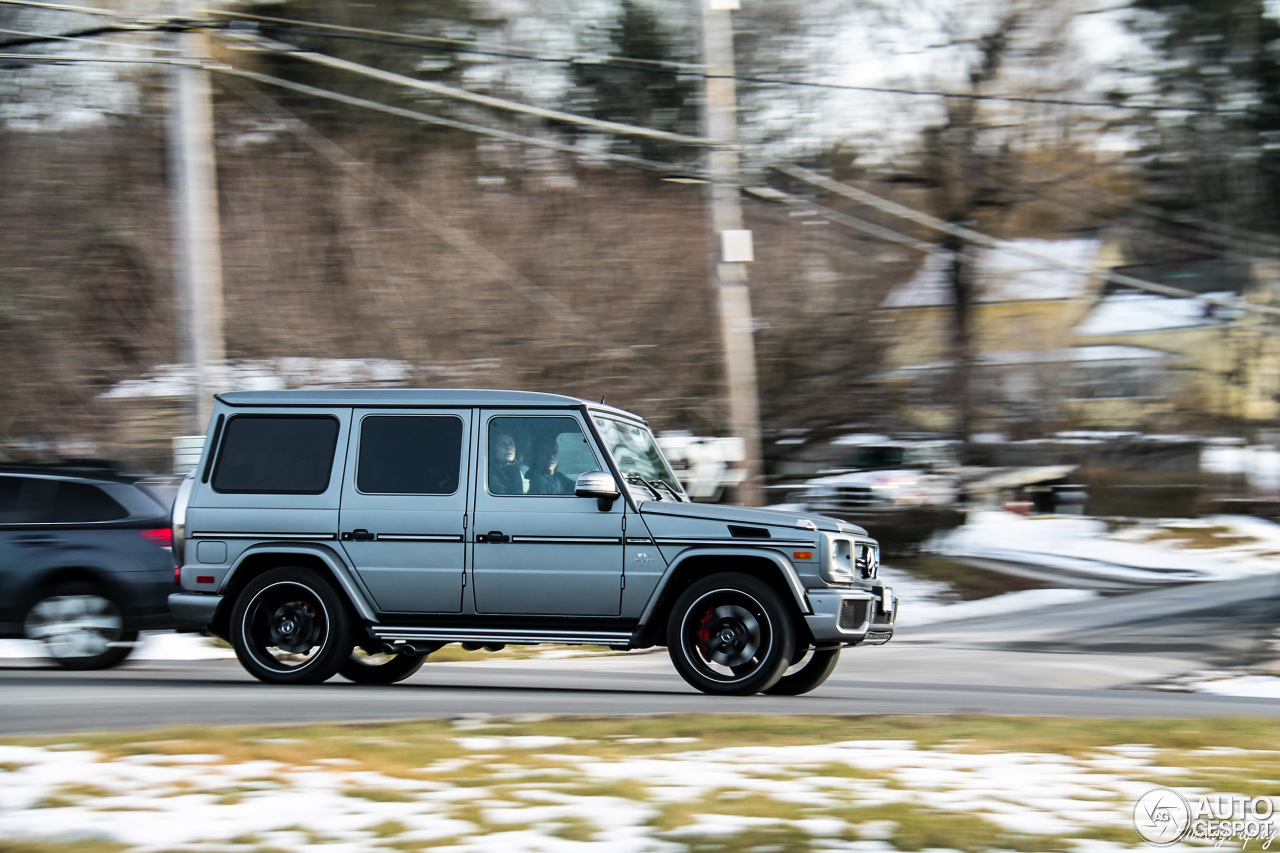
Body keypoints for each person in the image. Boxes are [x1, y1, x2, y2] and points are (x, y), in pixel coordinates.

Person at [488, 430, 527, 495]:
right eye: (502, 444)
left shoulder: (522, 470)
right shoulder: (489, 474)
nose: (508, 447)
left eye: (511, 444)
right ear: (494, 449)